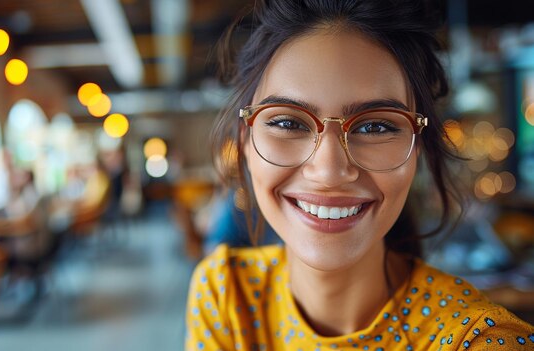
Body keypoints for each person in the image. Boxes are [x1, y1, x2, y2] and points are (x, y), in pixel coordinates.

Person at [184, 1, 534, 350]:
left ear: (417, 150)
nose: (330, 171)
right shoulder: (226, 295)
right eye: (288, 122)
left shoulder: (479, 341)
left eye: (375, 126)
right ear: (245, 141)